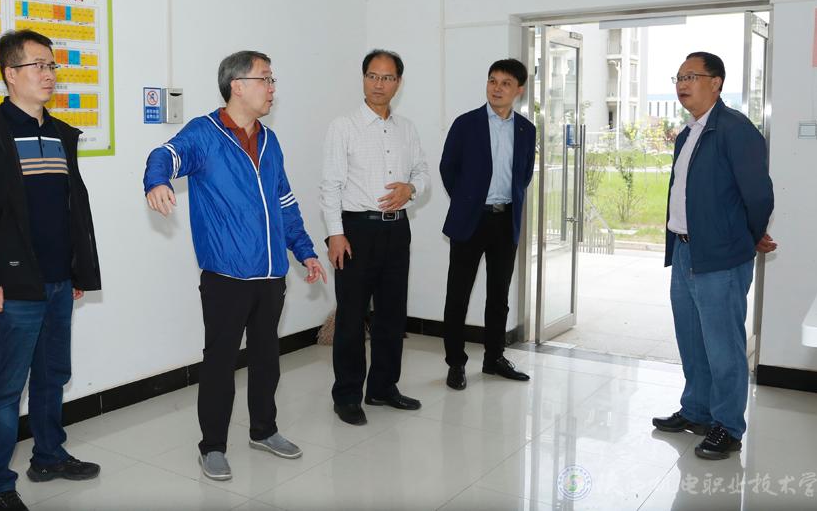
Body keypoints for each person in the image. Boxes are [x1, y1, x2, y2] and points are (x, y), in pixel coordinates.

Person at [143, 50, 326, 482]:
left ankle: (264, 430)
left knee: (267, 358)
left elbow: (284, 202)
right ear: (237, 86)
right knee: (220, 363)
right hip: (226, 275)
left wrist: (304, 250)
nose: (272, 88)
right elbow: (164, 155)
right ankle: (212, 446)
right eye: (266, 79)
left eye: (273, 80)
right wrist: (156, 181)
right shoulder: (204, 134)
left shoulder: (269, 140)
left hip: (271, 273)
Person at [0, 29, 103, 511]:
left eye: (52, 65)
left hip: (59, 281)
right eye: (38, 65)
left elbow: (72, 209)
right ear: (10, 74)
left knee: (52, 376)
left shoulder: (61, 134)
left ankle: (49, 456)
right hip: (13, 285)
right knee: (4, 389)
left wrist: (79, 270)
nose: (49, 74)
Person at [652, 51, 775, 460]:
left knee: (724, 347)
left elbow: (759, 196)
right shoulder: (688, 134)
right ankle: (697, 411)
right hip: (685, 251)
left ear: (716, 82)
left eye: (691, 76)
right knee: (692, 341)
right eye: (678, 77)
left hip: (721, 257)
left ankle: (728, 425)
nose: (682, 84)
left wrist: (747, 237)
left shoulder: (736, 130)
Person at [320, 49, 430, 426]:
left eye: (387, 78)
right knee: (351, 316)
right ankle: (347, 395)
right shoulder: (343, 127)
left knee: (392, 313)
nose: (378, 84)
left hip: (397, 229)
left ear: (398, 83)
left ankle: (383, 387)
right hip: (356, 230)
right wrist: (335, 235)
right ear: (363, 78)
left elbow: (423, 173)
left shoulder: (407, 129)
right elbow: (330, 187)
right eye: (372, 76)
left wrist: (411, 189)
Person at [439, 58, 536, 390]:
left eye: (505, 83)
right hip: (471, 219)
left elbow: (524, 174)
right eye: (492, 81)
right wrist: (467, 200)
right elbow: (448, 168)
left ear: (519, 90)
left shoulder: (526, 130)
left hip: (505, 220)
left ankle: (494, 358)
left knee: (499, 296)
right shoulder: (466, 124)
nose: (497, 88)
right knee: (458, 295)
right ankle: (455, 363)